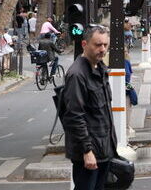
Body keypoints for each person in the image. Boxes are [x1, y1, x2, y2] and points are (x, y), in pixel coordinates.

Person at [59, 25, 118, 190]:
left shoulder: (100, 69)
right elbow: (74, 116)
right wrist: (87, 151)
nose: (102, 49)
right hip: (89, 154)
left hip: (103, 150)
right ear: (85, 44)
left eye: (105, 45)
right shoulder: (77, 74)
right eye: (97, 45)